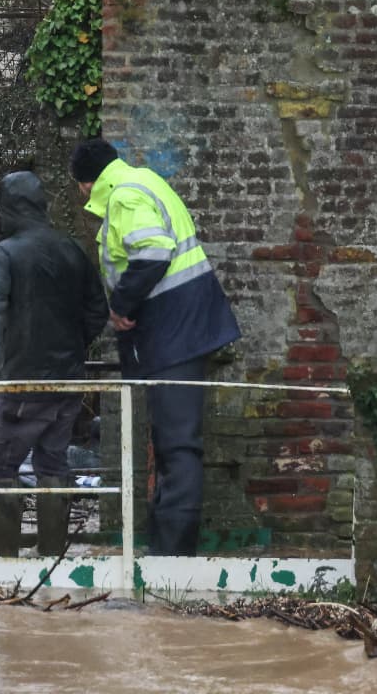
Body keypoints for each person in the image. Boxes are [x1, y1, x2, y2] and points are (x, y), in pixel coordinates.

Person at [70, 138, 241, 557]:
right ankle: (167, 549)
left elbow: (153, 252)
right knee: (173, 443)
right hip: (183, 326)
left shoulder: (125, 198)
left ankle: (173, 559)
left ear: (86, 184)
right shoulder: (145, 180)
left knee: (178, 445)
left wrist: (122, 306)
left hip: (173, 331)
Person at [0, 170, 108, 559]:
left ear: (11, 209)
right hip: (67, 380)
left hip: (21, 381)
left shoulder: (4, 254)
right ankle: (52, 558)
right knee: (53, 460)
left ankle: (5, 561)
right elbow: (97, 309)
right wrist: (72, 347)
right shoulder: (72, 249)